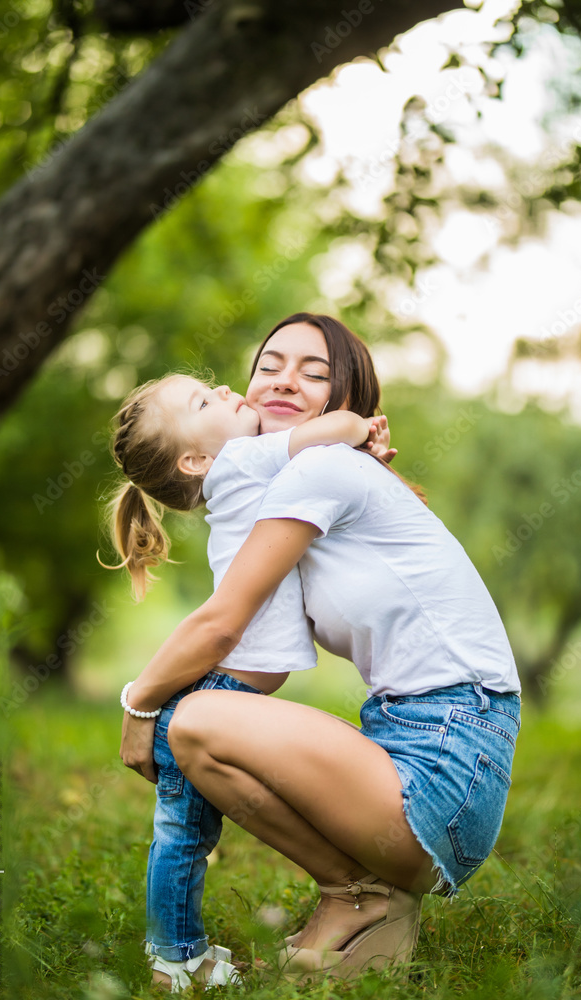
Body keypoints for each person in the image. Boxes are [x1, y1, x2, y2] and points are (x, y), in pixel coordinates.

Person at [120, 313, 521, 981]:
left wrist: (140, 708)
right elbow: (259, 663)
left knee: (192, 721)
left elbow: (222, 625)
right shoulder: (288, 484)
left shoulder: (320, 473)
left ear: (343, 400)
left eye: (314, 373)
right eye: (269, 365)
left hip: (451, 757)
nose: (283, 380)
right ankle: (371, 897)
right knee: (202, 723)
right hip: (421, 746)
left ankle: (353, 891)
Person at [105, 340, 392, 990]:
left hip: (219, 692)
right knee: (182, 838)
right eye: (205, 400)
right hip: (219, 690)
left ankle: (175, 950)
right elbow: (338, 427)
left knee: (182, 836)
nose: (232, 392)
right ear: (197, 460)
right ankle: (174, 958)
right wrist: (359, 429)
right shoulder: (240, 462)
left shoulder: (231, 472)